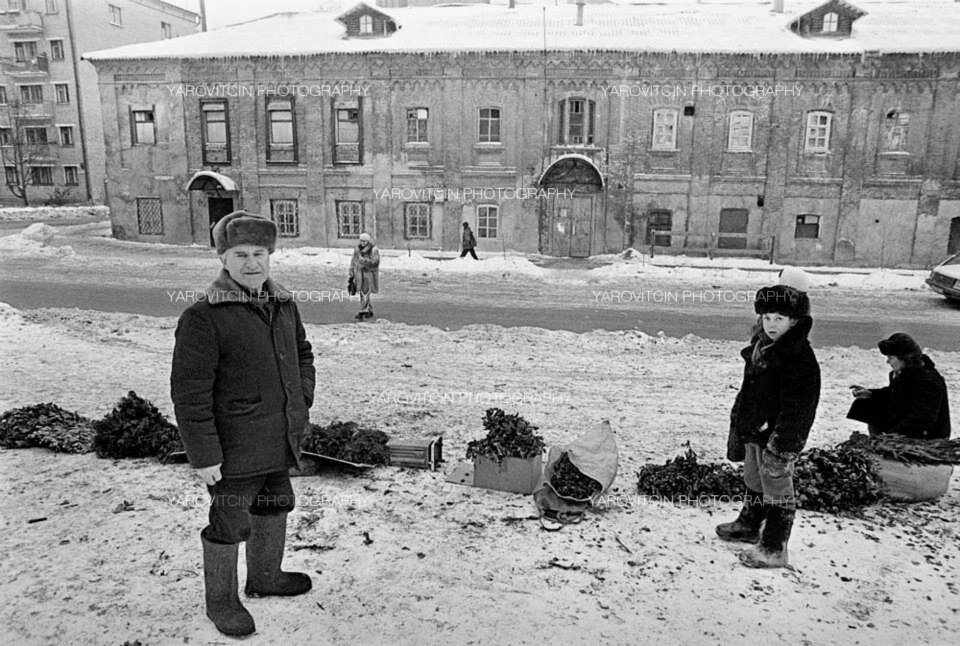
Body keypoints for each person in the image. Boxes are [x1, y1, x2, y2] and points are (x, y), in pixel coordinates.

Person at [170, 211, 315, 637]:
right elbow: (189, 394)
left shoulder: (284, 305)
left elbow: (302, 354)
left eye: (259, 253)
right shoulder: (203, 317)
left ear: (269, 256)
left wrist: (301, 397)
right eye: (240, 254)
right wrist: (204, 456)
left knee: (276, 505)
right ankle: (222, 601)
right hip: (233, 450)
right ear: (224, 259)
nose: (252, 263)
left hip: (278, 438)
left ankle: (266, 577)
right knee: (230, 522)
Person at [718, 269, 821, 568]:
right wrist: (741, 423)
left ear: (795, 321)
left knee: (777, 487)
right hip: (755, 430)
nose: (772, 324)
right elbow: (750, 392)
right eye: (767, 317)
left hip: (777, 437)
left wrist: (784, 444)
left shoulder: (798, 358)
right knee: (754, 478)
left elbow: (799, 408)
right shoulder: (762, 350)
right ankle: (750, 524)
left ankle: (775, 547)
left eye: (779, 318)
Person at [848, 332, 951, 440]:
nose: (888, 362)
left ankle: (881, 441)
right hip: (907, 423)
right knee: (869, 403)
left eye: (891, 358)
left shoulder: (928, 381)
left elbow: (922, 418)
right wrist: (870, 394)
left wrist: (891, 435)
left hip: (927, 436)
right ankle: (878, 438)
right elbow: (894, 394)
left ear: (904, 358)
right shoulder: (905, 373)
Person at [349, 232, 380, 320]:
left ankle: (363, 310)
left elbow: (375, 262)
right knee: (363, 292)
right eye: (361, 241)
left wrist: (364, 261)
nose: (362, 243)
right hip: (358, 274)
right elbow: (353, 261)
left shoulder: (374, 250)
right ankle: (369, 309)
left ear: (368, 241)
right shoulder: (357, 249)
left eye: (364, 241)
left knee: (365, 292)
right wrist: (351, 271)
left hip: (368, 274)